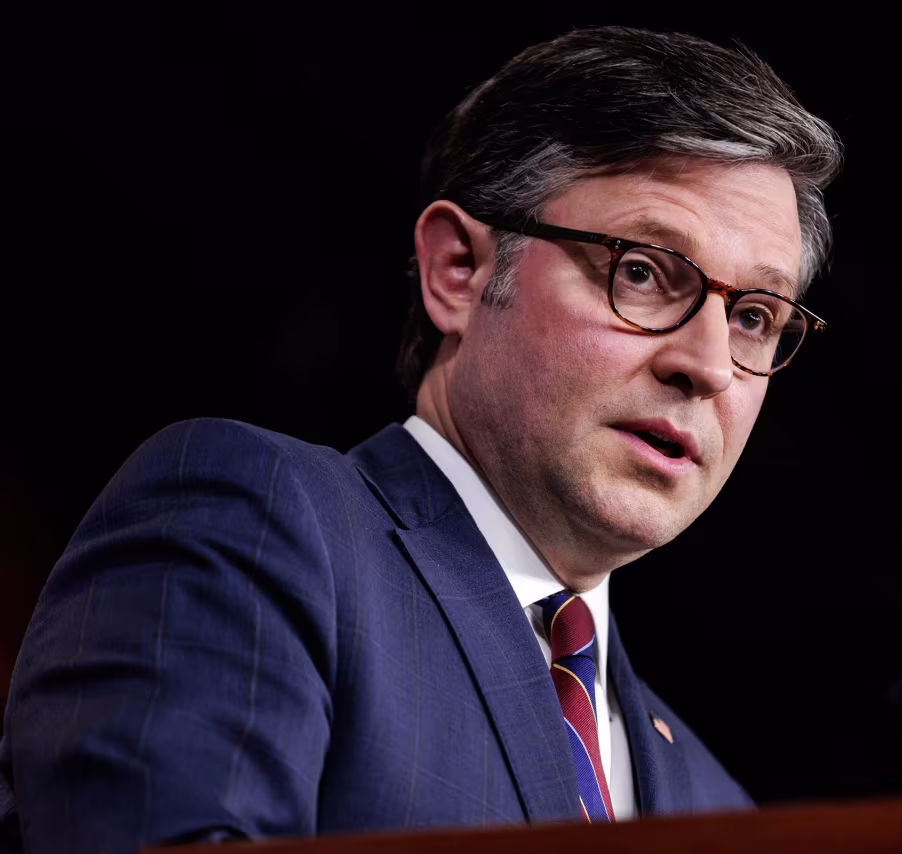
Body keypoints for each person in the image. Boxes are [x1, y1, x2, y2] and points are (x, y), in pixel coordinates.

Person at [0, 25, 841, 852]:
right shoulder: (251, 522)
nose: (708, 365)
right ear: (459, 272)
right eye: (645, 271)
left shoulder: (714, 802)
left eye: (755, 317)